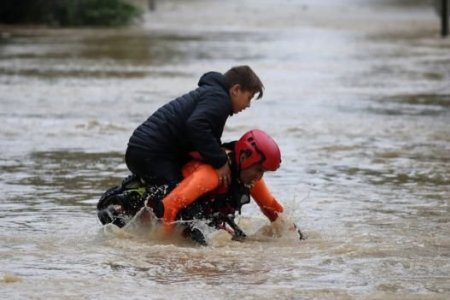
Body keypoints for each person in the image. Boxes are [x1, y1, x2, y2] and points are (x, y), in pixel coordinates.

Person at [97, 129, 304, 245]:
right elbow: (169, 207)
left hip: (195, 216)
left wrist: (298, 237)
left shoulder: (249, 176)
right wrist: (164, 248)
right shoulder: (210, 175)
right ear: (243, 157)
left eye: (263, 172)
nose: (259, 176)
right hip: (163, 211)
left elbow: (272, 208)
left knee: (240, 242)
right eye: (258, 170)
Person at [125, 65, 264, 196]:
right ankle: (135, 208)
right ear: (236, 90)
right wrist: (220, 162)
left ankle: (144, 205)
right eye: (249, 97)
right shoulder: (219, 99)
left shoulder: (215, 96)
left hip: (151, 151)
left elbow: (206, 137)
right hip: (149, 153)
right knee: (179, 194)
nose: (248, 105)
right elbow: (196, 125)